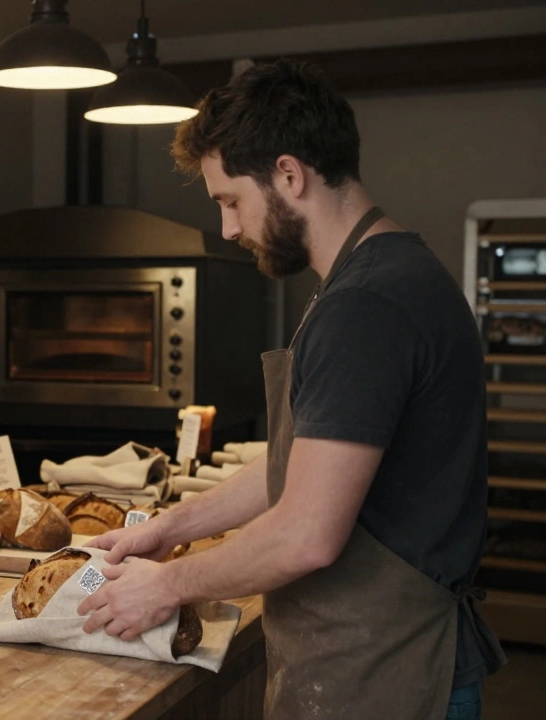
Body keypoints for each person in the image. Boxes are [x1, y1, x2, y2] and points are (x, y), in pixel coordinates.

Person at [80, 60, 505, 720]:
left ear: (288, 175)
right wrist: (170, 527)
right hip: (369, 662)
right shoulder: (381, 277)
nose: (228, 228)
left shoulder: (366, 305)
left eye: (230, 201)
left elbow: (306, 533)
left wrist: (166, 585)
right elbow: (300, 467)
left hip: (391, 675)